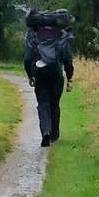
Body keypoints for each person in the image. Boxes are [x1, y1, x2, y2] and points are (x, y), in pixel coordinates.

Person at [23, 9, 74, 146]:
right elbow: (68, 59)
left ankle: (46, 131)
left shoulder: (33, 34)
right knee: (54, 104)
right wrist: (69, 78)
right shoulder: (61, 34)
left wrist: (30, 75)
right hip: (56, 73)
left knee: (43, 103)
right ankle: (54, 134)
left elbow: (27, 58)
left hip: (40, 74)